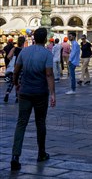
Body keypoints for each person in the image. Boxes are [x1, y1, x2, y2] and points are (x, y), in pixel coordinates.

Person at [10, 27, 55, 171]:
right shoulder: (47, 54)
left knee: (21, 123)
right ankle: (41, 153)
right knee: (40, 123)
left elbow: (16, 71)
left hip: (25, 92)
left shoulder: (24, 51)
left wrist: (17, 84)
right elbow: (49, 75)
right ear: (46, 39)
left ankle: (15, 156)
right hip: (40, 93)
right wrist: (53, 93)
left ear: (34, 38)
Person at [4, 36, 25, 103]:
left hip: (15, 67)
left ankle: (7, 93)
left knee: (12, 81)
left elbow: (8, 56)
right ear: (24, 42)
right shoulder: (24, 50)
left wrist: (12, 59)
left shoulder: (14, 48)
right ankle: (17, 97)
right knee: (19, 82)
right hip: (21, 67)